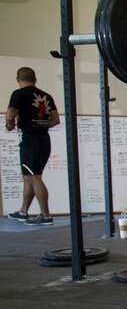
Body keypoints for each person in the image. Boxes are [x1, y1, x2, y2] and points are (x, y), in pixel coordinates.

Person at [5, 67, 60, 226]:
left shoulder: (18, 94)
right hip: (44, 140)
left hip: (29, 141)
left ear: (18, 79)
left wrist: (10, 126)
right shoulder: (46, 96)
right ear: (35, 79)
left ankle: (46, 216)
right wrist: (41, 125)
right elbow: (55, 120)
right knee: (28, 176)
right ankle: (23, 212)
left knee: (34, 177)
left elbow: (10, 115)